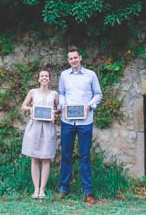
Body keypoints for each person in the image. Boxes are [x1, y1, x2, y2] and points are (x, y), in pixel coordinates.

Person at [57, 45, 102, 204]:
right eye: (70, 58)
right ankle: (63, 188)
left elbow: (98, 94)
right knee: (66, 155)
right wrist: (62, 105)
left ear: (80, 58)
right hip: (67, 121)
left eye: (75, 57)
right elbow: (61, 94)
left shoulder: (91, 75)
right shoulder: (64, 75)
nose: (73, 60)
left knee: (85, 156)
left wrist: (89, 105)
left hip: (85, 121)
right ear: (68, 60)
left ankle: (88, 192)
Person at [20, 69, 59, 199]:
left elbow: (59, 109)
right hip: (35, 127)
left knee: (46, 157)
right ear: (38, 79)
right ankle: (35, 189)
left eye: (46, 76)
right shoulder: (33, 92)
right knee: (35, 158)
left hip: (48, 128)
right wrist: (31, 109)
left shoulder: (54, 94)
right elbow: (23, 106)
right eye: (41, 76)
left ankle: (43, 189)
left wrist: (54, 113)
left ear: (49, 79)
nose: (44, 78)